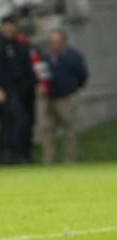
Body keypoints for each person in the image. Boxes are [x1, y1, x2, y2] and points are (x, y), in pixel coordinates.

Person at [0, 16, 38, 165]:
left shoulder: (22, 46)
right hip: (7, 91)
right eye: (6, 26)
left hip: (24, 91)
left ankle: (23, 153)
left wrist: (33, 85)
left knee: (26, 123)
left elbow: (29, 68)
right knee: (9, 124)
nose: (9, 29)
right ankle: (6, 154)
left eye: (11, 25)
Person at [41, 30, 87, 164]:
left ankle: (69, 160)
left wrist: (72, 88)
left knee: (68, 129)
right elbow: (42, 74)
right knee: (47, 130)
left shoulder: (73, 56)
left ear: (64, 42)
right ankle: (47, 160)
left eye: (56, 42)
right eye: (51, 42)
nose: (54, 45)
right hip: (50, 98)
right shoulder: (46, 57)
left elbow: (82, 75)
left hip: (66, 98)